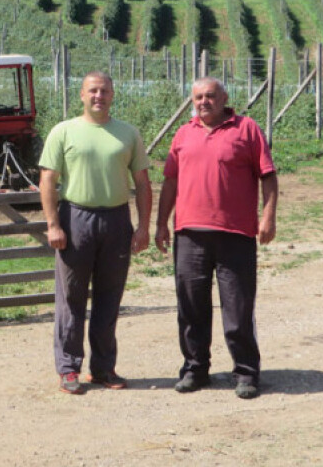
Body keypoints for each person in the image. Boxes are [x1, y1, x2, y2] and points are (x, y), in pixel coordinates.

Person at [154, 77, 278, 400]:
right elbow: (169, 182)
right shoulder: (183, 134)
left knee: (237, 307)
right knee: (191, 306)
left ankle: (246, 373)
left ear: (224, 98)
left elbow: (268, 176)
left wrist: (268, 217)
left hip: (235, 234)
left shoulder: (247, 129)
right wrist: (161, 223)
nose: (203, 102)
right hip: (189, 235)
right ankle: (195, 369)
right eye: (198, 97)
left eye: (210, 96)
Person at [39, 71, 152, 395]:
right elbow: (48, 180)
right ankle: (69, 369)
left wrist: (143, 226)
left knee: (109, 297)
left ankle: (103, 368)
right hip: (76, 219)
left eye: (104, 91)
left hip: (116, 220)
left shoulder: (127, 134)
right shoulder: (64, 131)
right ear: (82, 95)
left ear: (113, 95)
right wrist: (53, 224)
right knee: (71, 299)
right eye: (92, 91)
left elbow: (143, 184)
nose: (98, 96)